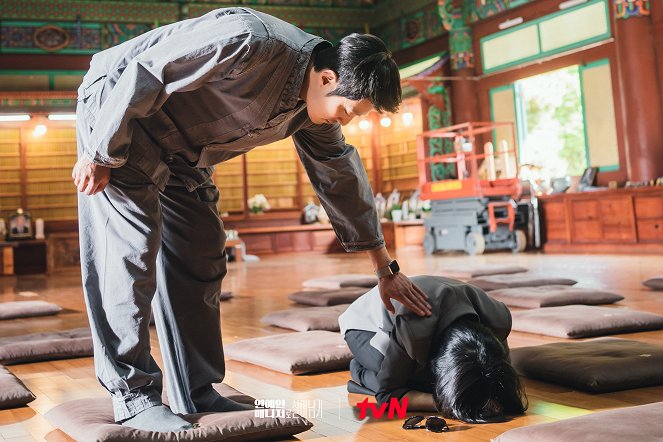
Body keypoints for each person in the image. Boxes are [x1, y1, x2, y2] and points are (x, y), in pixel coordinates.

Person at [71, 6, 432, 432]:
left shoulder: (313, 110)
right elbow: (146, 71)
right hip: (119, 115)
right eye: (349, 110)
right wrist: (99, 149)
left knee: (203, 251)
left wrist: (385, 270)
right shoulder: (250, 40)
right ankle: (133, 396)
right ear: (328, 78)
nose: (345, 120)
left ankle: (197, 390)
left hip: (184, 149)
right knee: (131, 254)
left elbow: (342, 181)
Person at [339, 275, 528, 423]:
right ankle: (359, 370)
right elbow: (387, 397)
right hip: (367, 326)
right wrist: (451, 402)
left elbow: (499, 378)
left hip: (426, 325)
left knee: (453, 383)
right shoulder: (413, 328)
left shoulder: (498, 320)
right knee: (412, 380)